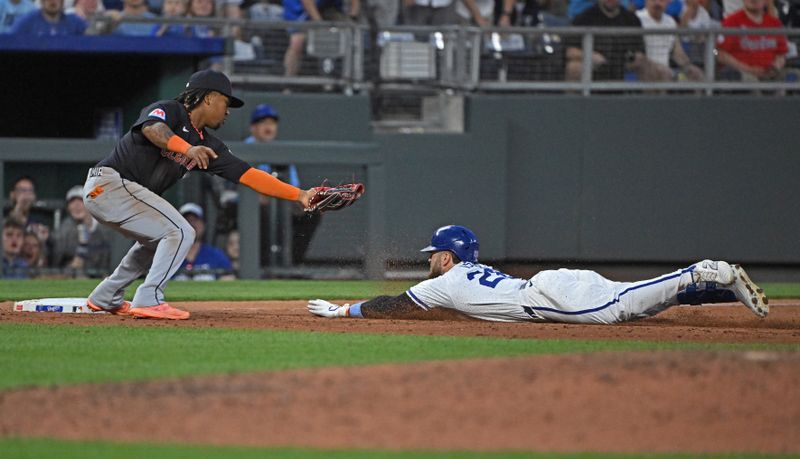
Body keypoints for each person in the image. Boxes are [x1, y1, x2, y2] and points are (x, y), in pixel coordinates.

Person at [82, 69, 317, 320]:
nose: (227, 111)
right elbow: (152, 128)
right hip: (109, 184)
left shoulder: (209, 145)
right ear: (209, 98)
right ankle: (149, 297)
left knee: (155, 241)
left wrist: (300, 195)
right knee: (181, 231)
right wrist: (188, 149)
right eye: (226, 102)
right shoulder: (171, 110)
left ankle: (106, 295)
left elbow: (249, 174)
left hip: (120, 193)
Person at [308, 225, 769, 322]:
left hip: (551, 297)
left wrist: (342, 311)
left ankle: (699, 271)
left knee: (626, 307)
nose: (430, 259)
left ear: (447, 257)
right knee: (638, 303)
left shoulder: (443, 282)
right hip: (552, 285)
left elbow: (394, 305)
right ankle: (727, 293)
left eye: (435, 253)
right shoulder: (471, 271)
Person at [244, 103, 322, 266]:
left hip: (280, 206)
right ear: (253, 128)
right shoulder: (246, 147)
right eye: (263, 122)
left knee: (311, 212)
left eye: (271, 123)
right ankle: (262, 265)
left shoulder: (280, 150)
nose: (268, 127)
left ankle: (291, 264)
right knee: (263, 210)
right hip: (249, 206)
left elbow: (294, 186)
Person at [565, 0, 648, 82]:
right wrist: (591, 56)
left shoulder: (631, 19)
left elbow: (640, 52)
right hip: (594, 67)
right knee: (573, 68)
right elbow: (569, 50)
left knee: (650, 67)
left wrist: (632, 58)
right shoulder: (584, 18)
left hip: (623, 66)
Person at [282, 0, 360, 76]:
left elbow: (354, 3)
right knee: (297, 42)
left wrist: (353, 17)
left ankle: (347, 81)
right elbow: (307, 2)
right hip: (299, 12)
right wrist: (321, 25)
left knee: (350, 36)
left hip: (328, 10)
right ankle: (289, 81)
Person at [716, 0, 789, 81]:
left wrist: (775, 67)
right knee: (749, 79)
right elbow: (719, 53)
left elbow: (781, 54)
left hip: (770, 74)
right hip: (742, 74)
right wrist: (748, 69)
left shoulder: (775, 23)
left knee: (792, 76)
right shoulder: (731, 22)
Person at [51, 185, 112, 277]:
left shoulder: (106, 228)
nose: (76, 205)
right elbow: (56, 264)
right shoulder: (64, 230)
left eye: (81, 200)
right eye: (72, 202)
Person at [636, 0, 703, 81]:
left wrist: (688, 66)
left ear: (668, 2)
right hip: (643, 71)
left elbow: (677, 51)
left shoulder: (670, 22)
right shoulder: (637, 19)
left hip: (666, 72)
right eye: (653, 0)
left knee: (697, 75)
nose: (657, 3)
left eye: (661, 1)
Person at [174, 202, 235, 280]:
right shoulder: (169, 257)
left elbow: (229, 278)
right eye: (187, 220)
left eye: (195, 220)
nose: (192, 224)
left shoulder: (216, 255)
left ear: (203, 225)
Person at [10, 0, 87, 35]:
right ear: (41, 1)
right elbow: (10, 43)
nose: (53, 1)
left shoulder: (74, 23)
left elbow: (92, 38)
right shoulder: (26, 22)